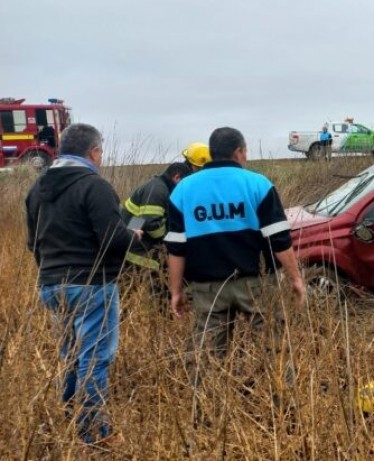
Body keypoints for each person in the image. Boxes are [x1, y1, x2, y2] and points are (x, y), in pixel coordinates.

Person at [165, 127, 307, 401]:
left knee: (207, 356)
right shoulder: (257, 184)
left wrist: (175, 291)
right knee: (273, 348)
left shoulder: (183, 190)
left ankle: (206, 415)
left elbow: (176, 248)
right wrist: (295, 279)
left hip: (206, 289)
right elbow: (279, 239)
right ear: (239, 151)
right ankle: (285, 410)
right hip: (254, 284)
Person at [25, 123, 141, 445]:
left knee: (71, 355)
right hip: (91, 285)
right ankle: (94, 432)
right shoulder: (94, 186)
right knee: (94, 358)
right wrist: (134, 237)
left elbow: (33, 243)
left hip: (51, 285)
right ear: (93, 152)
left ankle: (69, 417)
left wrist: (50, 274)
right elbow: (113, 240)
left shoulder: (37, 189)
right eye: (100, 152)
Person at [120, 162, 194, 302]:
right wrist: (171, 237)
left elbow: (140, 220)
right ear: (177, 178)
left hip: (135, 246)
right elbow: (152, 226)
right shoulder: (158, 191)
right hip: (137, 252)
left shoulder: (158, 186)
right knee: (154, 294)